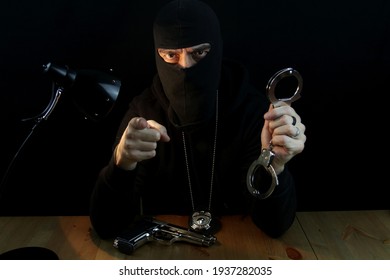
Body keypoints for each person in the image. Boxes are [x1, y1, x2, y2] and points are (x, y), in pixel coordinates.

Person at [89, 0, 306, 240]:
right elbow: (107, 226)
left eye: (199, 53)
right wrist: (121, 163)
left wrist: (275, 165)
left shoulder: (252, 112)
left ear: (216, 49)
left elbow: (274, 225)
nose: (185, 68)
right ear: (158, 54)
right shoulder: (142, 115)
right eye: (171, 55)